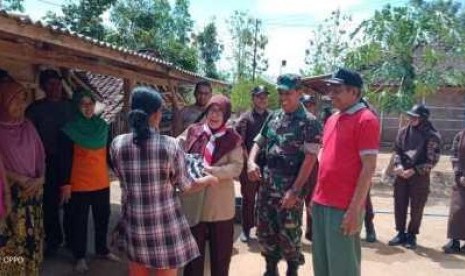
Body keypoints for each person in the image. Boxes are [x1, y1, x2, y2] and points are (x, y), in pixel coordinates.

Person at [111, 87, 219, 276]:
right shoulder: (169, 145)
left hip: (134, 225)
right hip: (165, 227)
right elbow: (186, 187)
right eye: (160, 110)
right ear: (154, 115)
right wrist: (208, 179)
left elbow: (121, 175)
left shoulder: (117, 144)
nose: (162, 114)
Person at [248, 74, 321, 276]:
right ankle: (270, 269)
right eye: (281, 92)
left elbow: (310, 159)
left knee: (289, 233)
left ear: (299, 93)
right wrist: (251, 161)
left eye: (288, 93)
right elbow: (259, 141)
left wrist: (295, 191)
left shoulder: (310, 122)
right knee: (265, 230)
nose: (283, 97)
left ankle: (292, 269)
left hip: (290, 190)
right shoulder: (274, 116)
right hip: (267, 187)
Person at [311, 68, 380, 276]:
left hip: (343, 207)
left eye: (337, 90)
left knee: (343, 268)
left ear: (354, 92)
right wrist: (315, 199)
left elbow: (369, 168)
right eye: (331, 89)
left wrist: (354, 210)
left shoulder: (366, 120)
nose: (331, 95)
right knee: (322, 266)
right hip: (321, 203)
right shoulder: (332, 118)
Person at [181, 95, 243, 276]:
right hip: (194, 203)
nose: (214, 115)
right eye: (211, 110)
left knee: (221, 254)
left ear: (226, 115)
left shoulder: (233, 138)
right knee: (193, 254)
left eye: (219, 111)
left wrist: (211, 171)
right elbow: (176, 146)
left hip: (219, 205)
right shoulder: (193, 131)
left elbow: (237, 167)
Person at [58, 90, 119, 273]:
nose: (88, 107)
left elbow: (108, 155)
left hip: (101, 181)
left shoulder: (102, 127)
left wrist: (119, 171)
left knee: (103, 218)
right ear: (76, 106)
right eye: (83, 104)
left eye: (90, 103)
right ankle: (80, 257)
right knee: (79, 222)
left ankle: (102, 250)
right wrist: (66, 185)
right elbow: (64, 159)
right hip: (78, 184)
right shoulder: (68, 130)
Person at [0, 72, 46, 275]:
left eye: (22, 99)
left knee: (33, 243)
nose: (20, 105)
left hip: (33, 198)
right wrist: (18, 179)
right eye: (13, 99)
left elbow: (41, 157)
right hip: (10, 201)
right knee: (12, 249)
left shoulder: (28, 126)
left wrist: (40, 178)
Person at [26, 69, 74, 255]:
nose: (56, 88)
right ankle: (53, 240)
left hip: (71, 161)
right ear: (42, 87)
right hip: (48, 161)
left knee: (72, 203)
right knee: (50, 204)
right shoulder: (35, 109)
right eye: (51, 84)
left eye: (58, 83)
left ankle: (72, 240)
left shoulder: (71, 106)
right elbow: (28, 138)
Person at [388, 104, 441, 250]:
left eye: (415, 117)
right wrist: (398, 165)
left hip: (419, 177)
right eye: (410, 116)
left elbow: (432, 160)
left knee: (417, 206)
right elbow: (397, 150)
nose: (411, 119)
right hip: (401, 174)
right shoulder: (403, 132)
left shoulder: (432, 136)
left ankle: (412, 235)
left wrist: (415, 170)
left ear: (423, 118)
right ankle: (400, 233)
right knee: (399, 203)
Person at [235, 85, 270, 242]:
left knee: (265, 199)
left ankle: (262, 229)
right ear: (253, 98)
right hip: (249, 166)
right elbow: (240, 142)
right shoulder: (245, 118)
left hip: (267, 166)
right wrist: (249, 163)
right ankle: (246, 229)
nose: (262, 99)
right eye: (259, 96)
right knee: (248, 199)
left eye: (264, 96)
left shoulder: (272, 118)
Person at [443, 129, 465, 254]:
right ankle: (454, 241)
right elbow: (454, 156)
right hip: (461, 181)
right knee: (457, 210)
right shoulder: (460, 135)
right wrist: (459, 174)